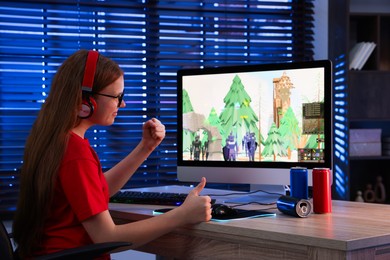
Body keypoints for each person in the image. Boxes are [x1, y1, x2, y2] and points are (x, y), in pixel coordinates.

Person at [12, 49, 212, 259]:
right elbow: (107, 238)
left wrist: (145, 147)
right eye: (117, 97)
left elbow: (94, 191)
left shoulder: (58, 140)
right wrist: (181, 215)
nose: (122, 104)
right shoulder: (76, 153)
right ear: (85, 101)